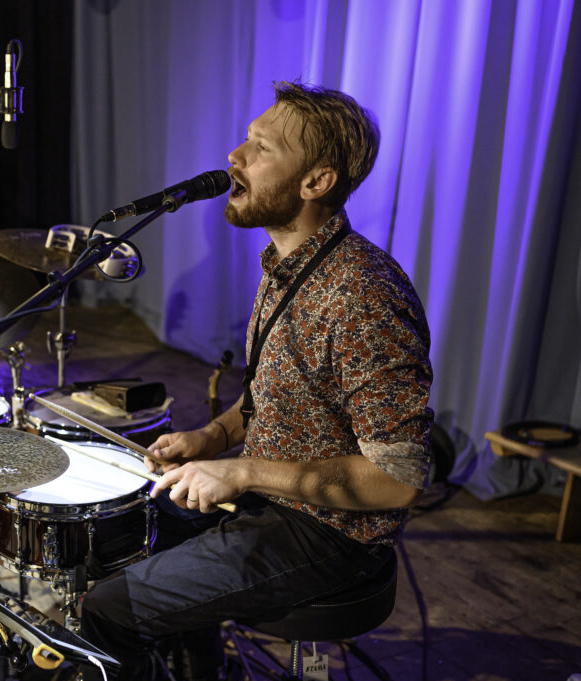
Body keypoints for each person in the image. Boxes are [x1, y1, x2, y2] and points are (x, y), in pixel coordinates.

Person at [79, 81, 433, 681]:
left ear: (316, 181)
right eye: (247, 138)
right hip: (274, 499)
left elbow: (398, 480)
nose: (234, 156)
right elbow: (275, 394)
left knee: (109, 610)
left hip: (330, 533)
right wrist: (213, 438)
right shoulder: (286, 266)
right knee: (108, 538)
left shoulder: (362, 295)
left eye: (261, 147)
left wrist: (242, 471)